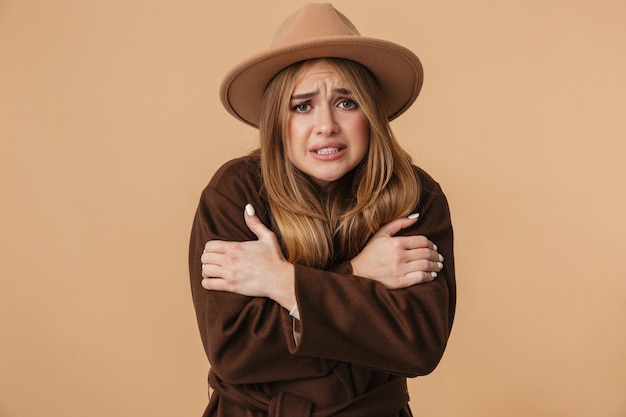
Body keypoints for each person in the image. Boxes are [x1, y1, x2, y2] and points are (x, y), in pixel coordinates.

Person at [189, 3, 456, 416]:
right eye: (302, 105)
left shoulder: (414, 195)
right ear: (277, 120)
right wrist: (359, 275)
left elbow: (417, 343)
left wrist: (281, 282)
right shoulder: (235, 192)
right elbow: (235, 350)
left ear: (372, 113)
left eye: (347, 102)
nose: (326, 124)